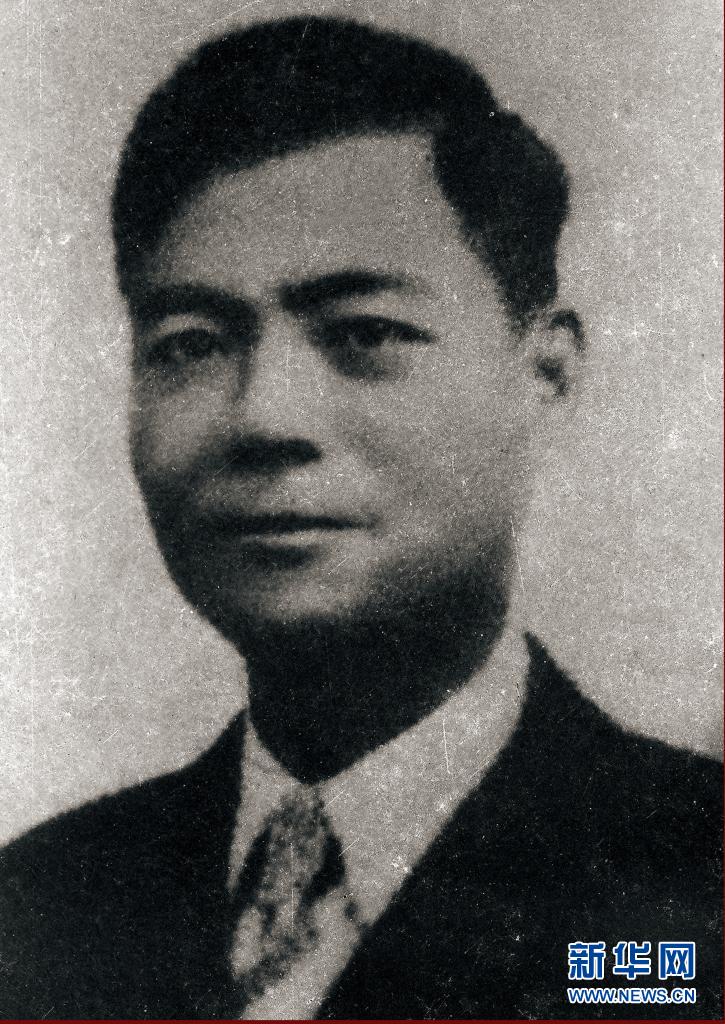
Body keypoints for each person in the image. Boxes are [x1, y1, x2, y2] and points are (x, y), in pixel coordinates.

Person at [0, 15, 720, 1021]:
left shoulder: (691, 886)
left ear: (543, 372)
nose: (263, 418)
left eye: (365, 332)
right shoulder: (39, 902)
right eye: (190, 343)